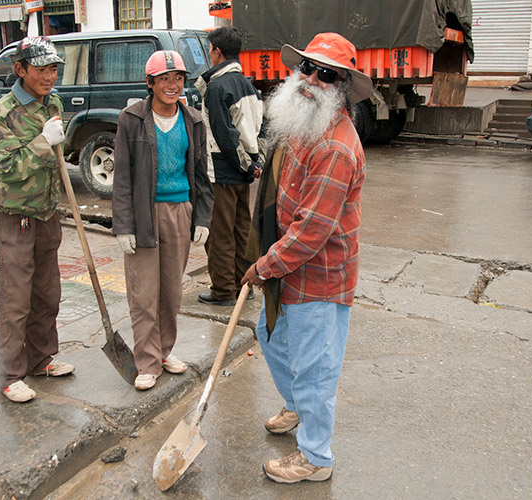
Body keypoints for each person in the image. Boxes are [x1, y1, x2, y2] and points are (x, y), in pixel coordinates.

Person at [241, 32, 372, 483]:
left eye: (327, 74)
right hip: (287, 270)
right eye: (308, 69)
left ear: (341, 87)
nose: (312, 79)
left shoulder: (335, 146)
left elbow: (312, 231)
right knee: (271, 336)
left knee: (315, 369)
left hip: (318, 275)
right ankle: (297, 406)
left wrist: (262, 266)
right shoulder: (303, 126)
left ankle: (315, 458)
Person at [113, 50, 214, 391]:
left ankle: (164, 350)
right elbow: (122, 177)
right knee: (143, 292)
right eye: (164, 79)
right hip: (144, 213)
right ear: (150, 83)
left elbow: (201, 172)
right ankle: (147, 360)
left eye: (178, 78)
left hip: (180, 211)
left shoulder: (194, 120)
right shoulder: (131, 119)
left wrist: (202, 216)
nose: (172, 85)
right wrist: (123, 224)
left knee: (171, 291)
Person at [0, 36, 74, 403]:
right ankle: (11, 373)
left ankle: (41, 358)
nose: (49, 76)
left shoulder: (52, 102)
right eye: (41, 69)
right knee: (15, 298)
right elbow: (4, 168)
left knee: (48, 293)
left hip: (47, 212)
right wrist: (42, 143)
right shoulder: (4, 113)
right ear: (20, 70)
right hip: (16, 217)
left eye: (53, 69)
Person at [195, 26, 263, 306]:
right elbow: (256, 130)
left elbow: (225, 136)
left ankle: (223, 291)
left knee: (219, 234)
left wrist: (246, 164)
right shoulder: (246, 84)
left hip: (223, 171)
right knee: (240, 231)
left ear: (217, 51)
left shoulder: (217, 87)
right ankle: (240, 285)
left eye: (210, 48)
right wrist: (254, 162)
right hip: (243, 171)